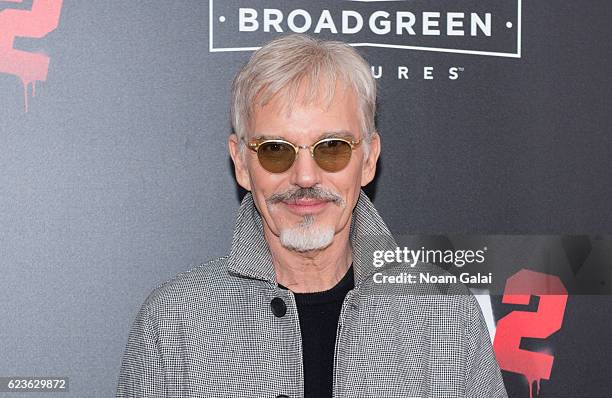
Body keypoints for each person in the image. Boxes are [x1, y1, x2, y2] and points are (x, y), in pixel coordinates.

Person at [116, 34, 508, 398]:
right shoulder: (172, 323)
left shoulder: (444, 315)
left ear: (368, 158)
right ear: (241, 163)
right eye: (275, 149)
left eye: (332, 147)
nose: (305, 177)